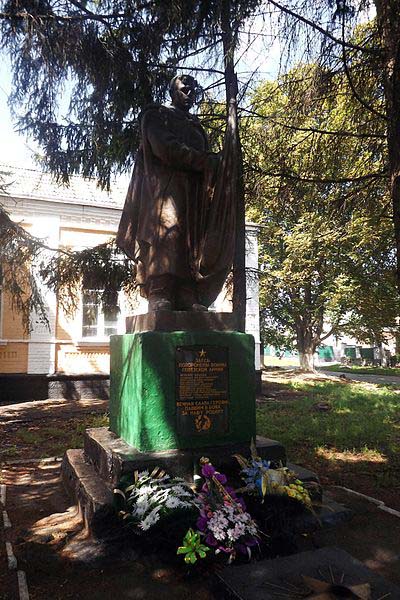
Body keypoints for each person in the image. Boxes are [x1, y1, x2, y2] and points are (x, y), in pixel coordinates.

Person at [117, 74, 222, 311]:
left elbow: (205, 159)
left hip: (193, 194)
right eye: (185, 89)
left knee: (190, 241)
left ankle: (186, 293)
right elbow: (165, 148)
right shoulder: (157, 116)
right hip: (165, 189)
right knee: (166, 236)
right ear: (172, 91)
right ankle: (159, 291)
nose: (190, 94)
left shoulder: (196, 125)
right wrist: (204, 160)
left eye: (194, 91)